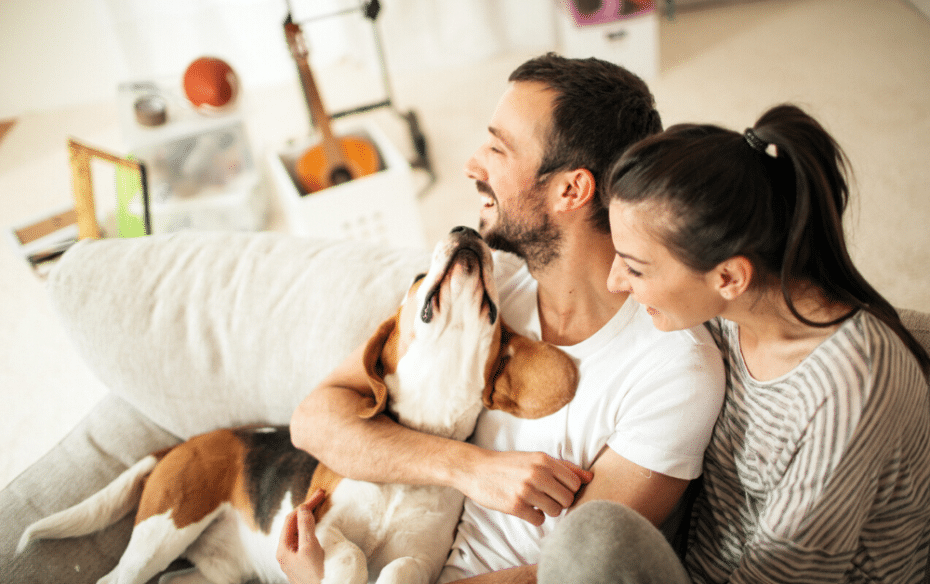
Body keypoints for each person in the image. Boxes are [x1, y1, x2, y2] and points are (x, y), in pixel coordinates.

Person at [279, 53, 726, 583]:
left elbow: (569, 574)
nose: (471, 164)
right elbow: (313, 419)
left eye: (498, 147)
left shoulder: (674, 371)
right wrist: (468, 468)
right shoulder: (489, 285)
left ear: (571, 190)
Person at [586, 103, 930, 583]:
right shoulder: (726, 313)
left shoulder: (850, 385)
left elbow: (786, 574)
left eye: (635, 267)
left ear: (729, 276)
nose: (614, 281)